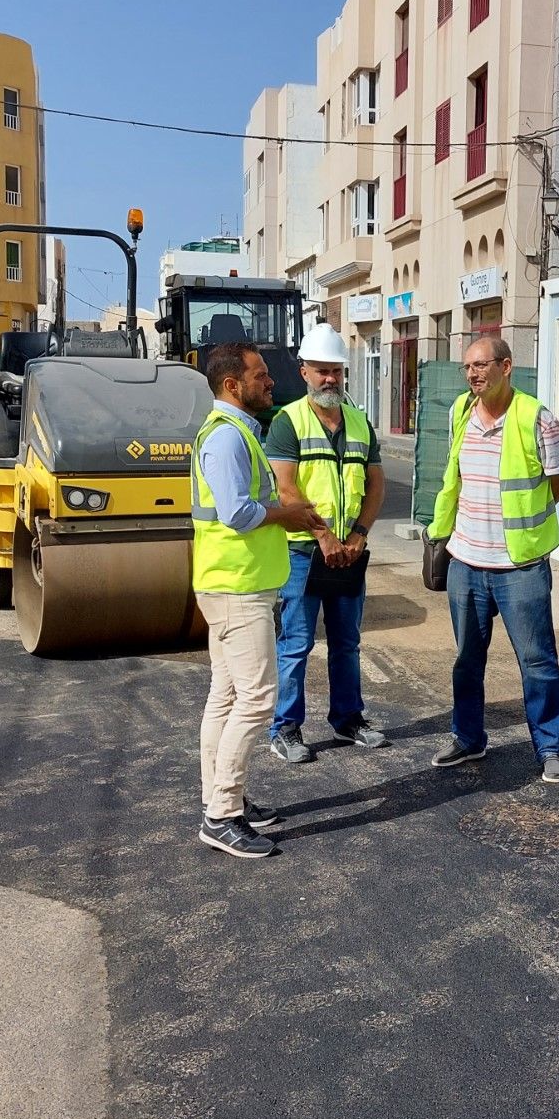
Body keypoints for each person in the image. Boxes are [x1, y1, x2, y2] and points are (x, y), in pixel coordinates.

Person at [191, 342, 324, 858]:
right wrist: (285, 515)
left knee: (226, 698)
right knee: (257, 700)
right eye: (261, 375)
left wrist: (290, 513)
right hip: (235, 588)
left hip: (235, 584)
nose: (271, 382)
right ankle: (222, 814)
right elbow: (236, 513)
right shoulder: (226, 438)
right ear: (233, 385)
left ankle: (223, 800)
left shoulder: (238, 431)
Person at [426, 335, 559, 783]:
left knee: (537, 661)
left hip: (520, 565)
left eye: (482, 364)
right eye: (467, 366)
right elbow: (455, 479)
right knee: (466, 659)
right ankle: (468, 738)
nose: (473, 373)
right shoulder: (458, 413)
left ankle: (549, 747)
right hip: (465, 562)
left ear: (506, 367)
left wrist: (524, 525)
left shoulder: (536, 418)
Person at [266, 322, 390, 763]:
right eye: (321, 370)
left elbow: (376, 485)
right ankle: (285, 728)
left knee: (347, 641)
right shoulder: (288, 421)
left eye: (336, 370)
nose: (330, 379)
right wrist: (322, 535)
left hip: (349, 553)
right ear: (304, 372)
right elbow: (285, 490)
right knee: (296, 643)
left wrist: (358, 534)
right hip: (302, 553)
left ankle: (347, 719)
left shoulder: (358, 422)